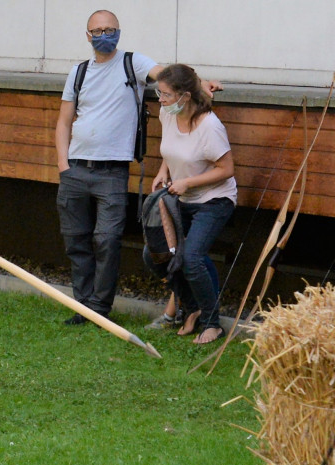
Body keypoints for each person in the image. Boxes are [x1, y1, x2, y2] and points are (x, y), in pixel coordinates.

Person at [55, 9, 219, 325]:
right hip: (75, 169)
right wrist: (63, 165)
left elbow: (172, 77)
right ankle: (83, 306)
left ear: (119, 31)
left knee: (107, 240)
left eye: (110, 29)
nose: (105, 35)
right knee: (76, 239)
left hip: (112, 172)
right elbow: (63, 122)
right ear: (88, 36)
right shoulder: (78, 72)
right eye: (98, 30)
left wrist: (201, 84)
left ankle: (100, 309)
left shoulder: (134, 63)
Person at [143, 64, 236, 345]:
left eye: (166, 95)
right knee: (155, 254)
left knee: (192, 258)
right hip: (180, 196)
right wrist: (164, 171)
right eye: (159, 93)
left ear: (185, 96)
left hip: (214, 200)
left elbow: (227, 169)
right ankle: (190, 307)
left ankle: (212, 323)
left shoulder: (209, 126)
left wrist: (188, 183)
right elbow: (173, 149)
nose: (161, 100)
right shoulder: (168, 114)